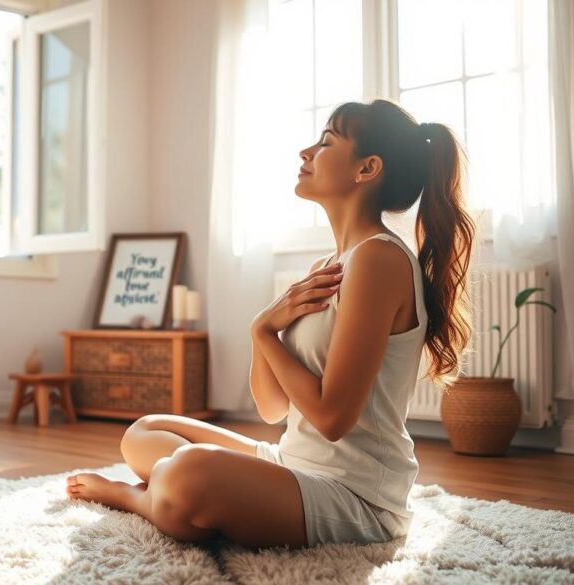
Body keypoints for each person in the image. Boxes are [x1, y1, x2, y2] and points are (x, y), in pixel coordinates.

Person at [65, 98, 476, 550]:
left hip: (355, 495)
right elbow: (271, 408)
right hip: (292, 461)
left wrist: (264, 333)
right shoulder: (330, 264)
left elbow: (333, 419)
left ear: (367, 168)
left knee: (187, 473)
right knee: (142, 434)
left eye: (325, 142)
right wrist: (264, 329)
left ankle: (139, 498)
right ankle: (173, 494)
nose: (306, 152)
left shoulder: (380, 259)